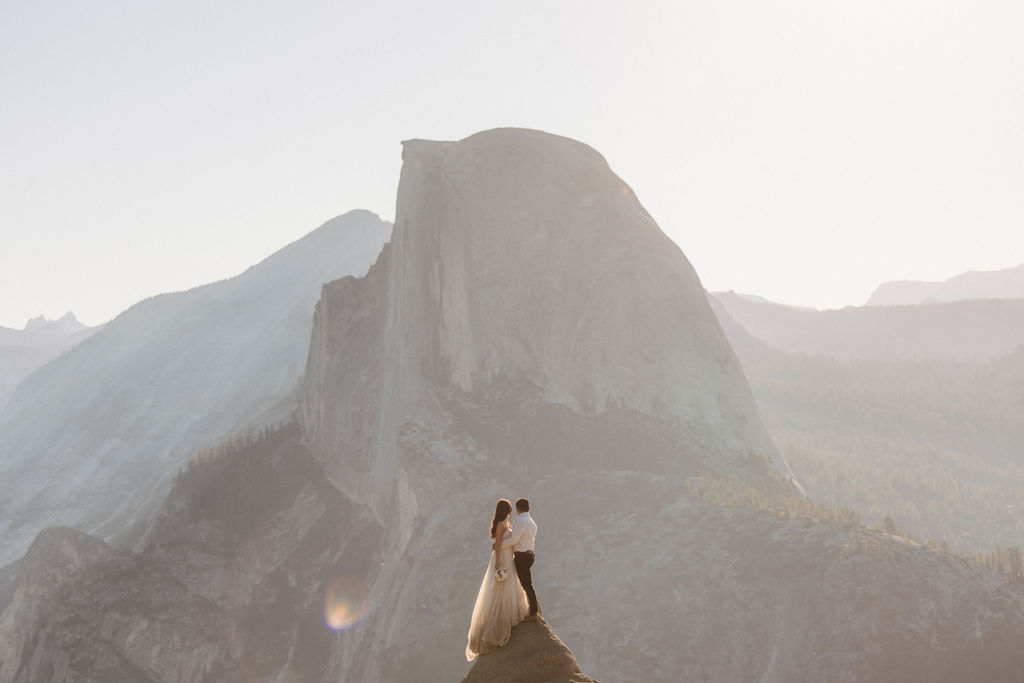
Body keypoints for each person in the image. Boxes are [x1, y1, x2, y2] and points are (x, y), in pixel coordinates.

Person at [465, 499, 530, 661]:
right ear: (506, 510)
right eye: (509, 510)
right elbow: (499, 545)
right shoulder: (501, 524)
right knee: (501, 589)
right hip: (502, 558)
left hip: (510, 557)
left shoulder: (506, 523)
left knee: (511, 587)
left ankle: (509, 618)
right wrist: (498, 563)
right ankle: (498, 626)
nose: (511, 512)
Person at [506, 498, 539, 619]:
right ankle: (530, 608)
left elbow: (514, 539)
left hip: (522, 556)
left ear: (517, 509)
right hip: (530, 554)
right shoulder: (531, 522)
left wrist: (499, 545)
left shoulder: (520, 521)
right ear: (528, 508)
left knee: (526, 584)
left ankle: (533, 611)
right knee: (526, 582)